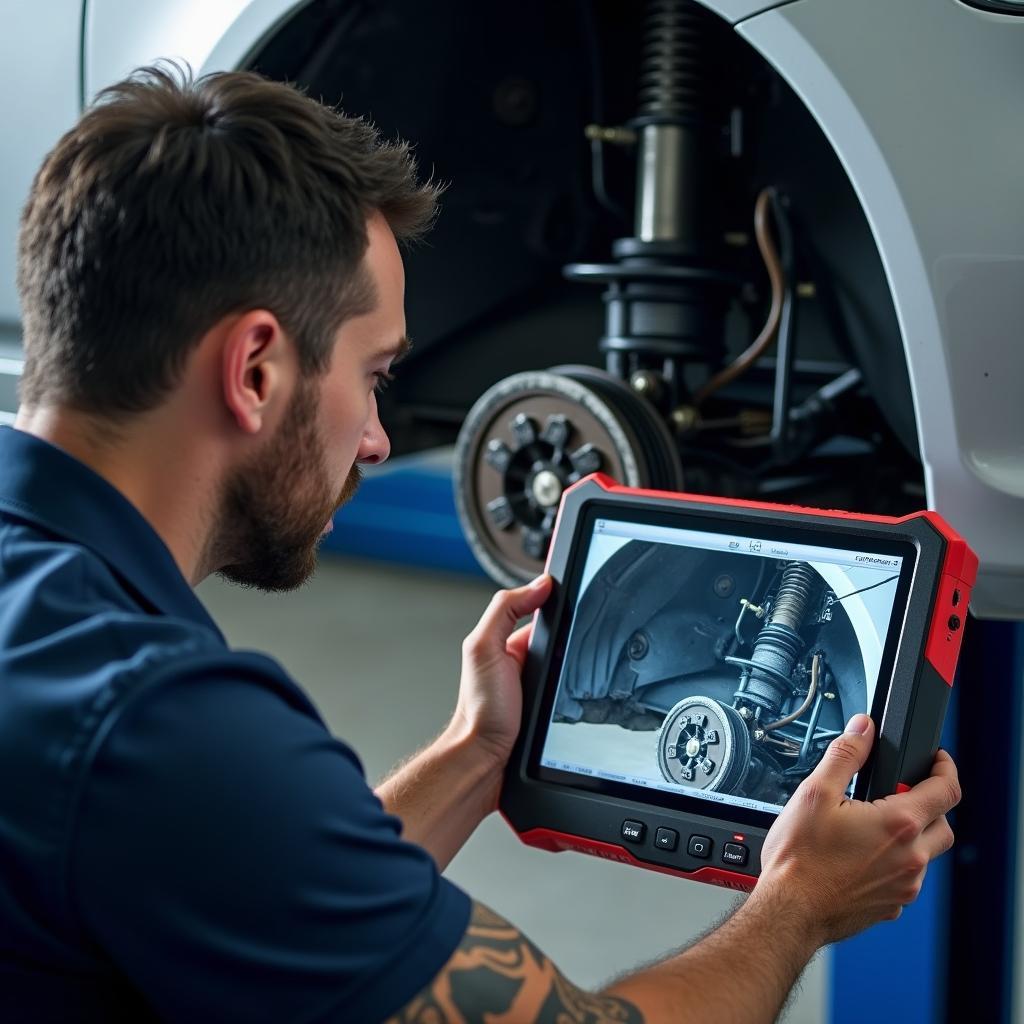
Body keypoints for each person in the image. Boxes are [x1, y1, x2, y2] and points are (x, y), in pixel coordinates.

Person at [0, 64, 959, 1024]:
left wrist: (475, 750)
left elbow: (264, 895)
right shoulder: (160, 728)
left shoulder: (78, 672)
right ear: (254, 369)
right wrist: (799, 904)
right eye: (374, 375)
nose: (377, 438)